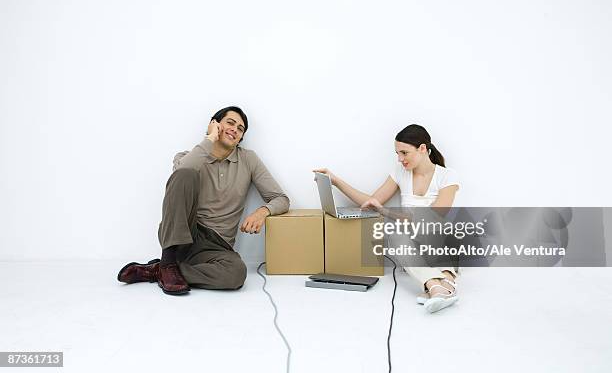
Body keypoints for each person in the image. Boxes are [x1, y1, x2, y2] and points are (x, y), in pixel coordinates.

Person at [118, 106, 290, 295]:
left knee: (236, 273)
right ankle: (168, 261)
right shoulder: (187, 157)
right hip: (183, 236)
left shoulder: (248, 159)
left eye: (240, 129)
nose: (235, 129)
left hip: (216, 247)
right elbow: (179, 176)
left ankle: (162, 269)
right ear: (214, 125)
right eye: (230, 123)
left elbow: (280, 198)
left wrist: (262, 212)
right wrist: (210, 140)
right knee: (185, 174)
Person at [314, 124, 460, 313]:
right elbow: (372, 202)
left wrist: (387, 212)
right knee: (396, 234)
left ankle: (442, 282)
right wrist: (335, 181)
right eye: (397, 153)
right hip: (414, 247)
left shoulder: (448, 176)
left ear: (422, 149)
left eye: (404, 153)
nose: (400, 159)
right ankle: (437, 285)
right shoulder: (400, 173)